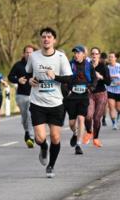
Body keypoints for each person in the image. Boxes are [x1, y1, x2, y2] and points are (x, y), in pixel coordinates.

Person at [25, 28, 72, 178]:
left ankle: (51, 165)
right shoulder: (33, 56)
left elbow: (69, 79)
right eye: (44, 37)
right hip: (37, 102)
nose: (46, 39)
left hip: (56, 103)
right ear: (41, 39)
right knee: (39, 138)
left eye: (49, 37)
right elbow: (27, 73)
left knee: (56, 137)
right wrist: (29, 80)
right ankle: (43, 147)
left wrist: (56, 76)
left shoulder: (60, 57)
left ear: (54, 40)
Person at [64, 45, 93, 156]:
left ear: (83, 54)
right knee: (71, 123)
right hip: (72, 96)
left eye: (78, 52)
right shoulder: (69, 65)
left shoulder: (89, 66)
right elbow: (65, 78)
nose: (76, 55)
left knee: (81, 118)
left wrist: (91, 88)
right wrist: (67, 89)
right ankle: (75, 133)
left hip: (83, 96)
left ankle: (79, 144)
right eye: (75, 53)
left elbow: (94, 79)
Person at [8, 45, 36, 147]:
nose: (29, 54)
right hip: (21, 95)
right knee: (24, 118)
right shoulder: (18, 65)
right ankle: (27, 132)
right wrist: (18, 80)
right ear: (23, 54)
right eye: (27, 52)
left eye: (31, 52)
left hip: (34, 95)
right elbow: (10, 76)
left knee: (30, 115)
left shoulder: (36, 65)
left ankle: (31, 137)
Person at [85, 47, 109, 148]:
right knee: (88, 116)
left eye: (96, 54)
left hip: (101, 94)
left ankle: (96, 138)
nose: (94, 56)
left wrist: (101, 77)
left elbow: (108, 82)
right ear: (91, 55)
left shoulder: (103, 66)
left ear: (99, 55)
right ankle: (89, 132)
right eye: (93, 54)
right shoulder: (87, 66)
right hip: (90, 93)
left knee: (96, 118)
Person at [104, 52, 120, 129]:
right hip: (110, 89)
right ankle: (114, 123)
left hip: (119, 90)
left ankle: (119, 115)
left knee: (118, 108)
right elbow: (105, 78)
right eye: (109, 57)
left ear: (115, 58)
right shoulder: (107, 67)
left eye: (111, 57)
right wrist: (109, 79)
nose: (110, 58)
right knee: (111, 107)